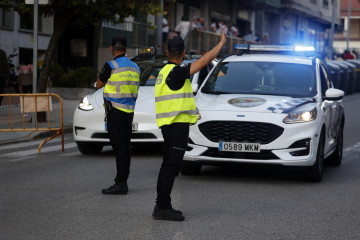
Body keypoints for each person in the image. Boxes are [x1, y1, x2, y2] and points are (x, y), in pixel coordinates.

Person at [152, 26, 227, 221]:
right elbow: (204, 61)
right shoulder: (176, 73)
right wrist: (220, 44)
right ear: (184, 53)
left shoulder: (164, 71)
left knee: (168, 166)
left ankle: (161, 205)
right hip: (174, 126)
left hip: (173, 125)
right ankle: (162, 207)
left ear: (167, 53)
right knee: (170, 167)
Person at [96, 36, 140, 195]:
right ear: (126, 49)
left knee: (119, 148)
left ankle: (120, 184)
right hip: (129, 112)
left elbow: (98, 84)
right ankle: (123, 181)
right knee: (126, 147)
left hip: (115, 112)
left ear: (111, 48)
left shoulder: (110, 65)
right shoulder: (135, 67)